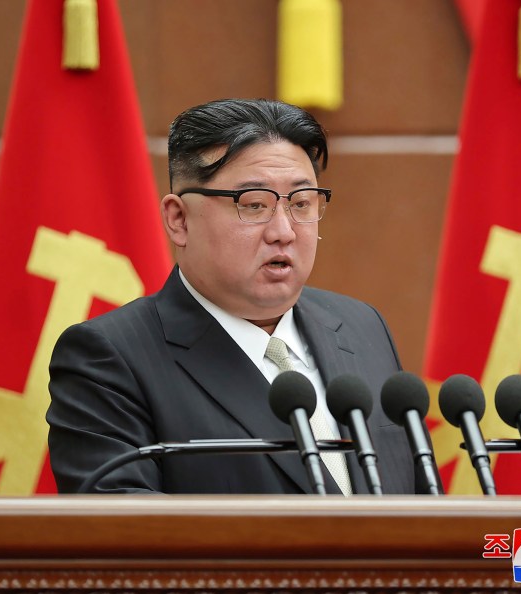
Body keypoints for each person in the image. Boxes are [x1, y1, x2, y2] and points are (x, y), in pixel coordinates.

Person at [47, 98, 427, 494]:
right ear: (179, 220)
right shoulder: (110, 359)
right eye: (254, 205)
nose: (284, 231)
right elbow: (122, 540)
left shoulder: (361, 327)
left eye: (301, 203)